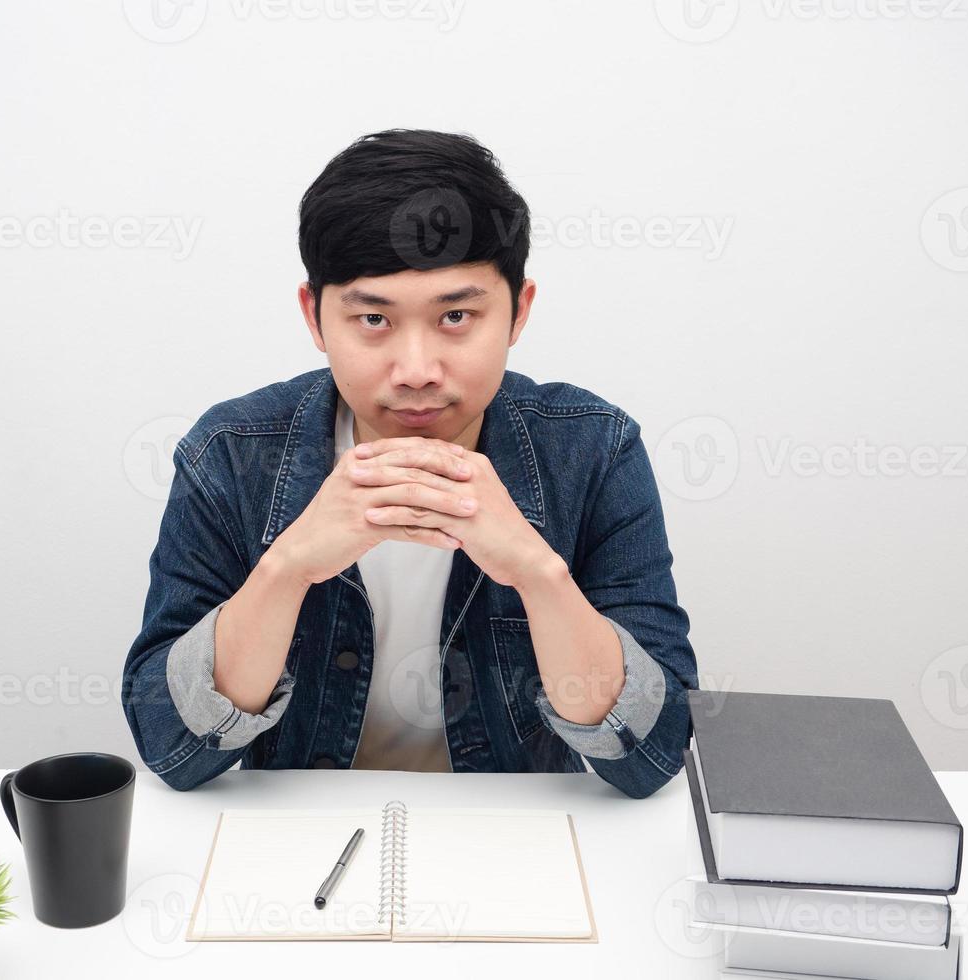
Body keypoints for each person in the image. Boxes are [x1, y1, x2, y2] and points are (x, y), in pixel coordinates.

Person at [121, 129, 697, 798]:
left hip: (519, 843)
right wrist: (286, 568)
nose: (417, 371)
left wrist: (539, 574)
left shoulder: (593, 450)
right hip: (289, 842)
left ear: (517, 313)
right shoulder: (229, 452)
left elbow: (653, 755)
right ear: (315, 316)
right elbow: (169, 749)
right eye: (372, 320)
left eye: (456, 315)